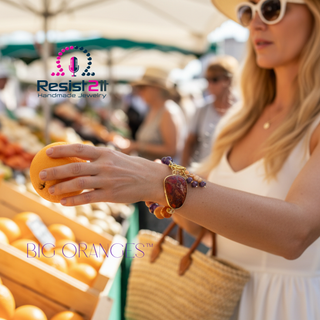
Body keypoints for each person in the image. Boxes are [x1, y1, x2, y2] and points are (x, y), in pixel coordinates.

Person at [37, 0, 320, 318]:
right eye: (247, 11)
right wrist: (160, 191)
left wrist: (163, 183)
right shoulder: (238, 121)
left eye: (271, 8)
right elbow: (211, 225)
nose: (255, 23)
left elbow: (296, 234)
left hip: (285, 306)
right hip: (215, 296)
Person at [115, 67, 187, 164]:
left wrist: (137, 146)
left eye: (143, 87)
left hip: (163, 175)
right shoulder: (153, 109)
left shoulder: (168, 112)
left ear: (157, 88)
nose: (140, 92)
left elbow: (171, 151)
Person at [181, 55, 239, 167]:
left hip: (230, 172)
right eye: (207, 79)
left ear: (229, 79)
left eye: (215, 79)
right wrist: (182, 171)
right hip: (203, 174)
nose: (210, 84)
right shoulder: (202, 109)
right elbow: (189, 143)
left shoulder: (242, 108)